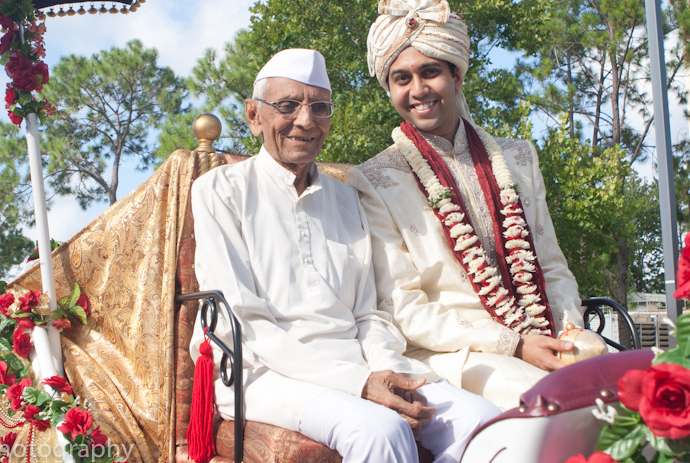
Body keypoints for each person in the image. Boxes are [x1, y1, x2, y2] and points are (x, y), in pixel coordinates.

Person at [190, 48, 500, 463]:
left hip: (359, 364)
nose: (305, 121)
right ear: (253, 115)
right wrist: (360, 382)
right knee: (379, 430)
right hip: (261, 372)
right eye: (287, 106)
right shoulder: (220, 191)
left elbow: (367, 315)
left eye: (320, 108)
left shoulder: (347, 198)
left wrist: (391, 372)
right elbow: (245, 323)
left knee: (479, 419)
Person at [345, 0, 584, 410]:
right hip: (458, 356)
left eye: (430, 72)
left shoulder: (518, 158)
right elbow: (405, 307)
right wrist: (512, 343)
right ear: (389, 89)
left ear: (456, 75)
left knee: (639, 384)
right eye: (402, 78)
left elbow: (551, 264)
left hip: (546, 334)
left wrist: (568, 334)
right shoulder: (374, 179)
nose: (418, 89)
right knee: (553, 402)